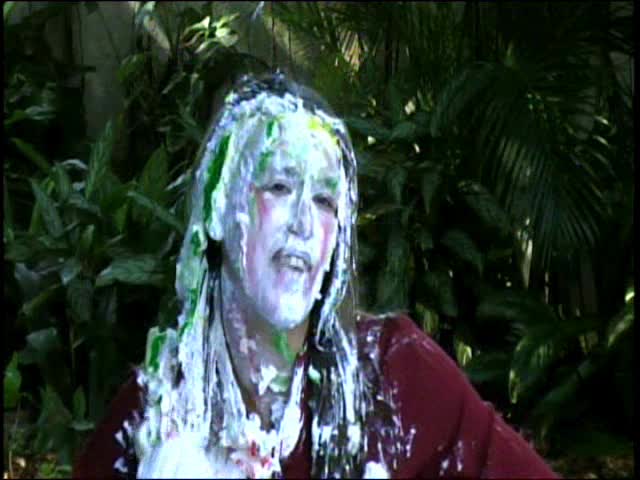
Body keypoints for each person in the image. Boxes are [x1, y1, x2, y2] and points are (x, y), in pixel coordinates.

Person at [73, 73, 559, 478]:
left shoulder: (394, 375)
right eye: (279, 186)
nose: (304, 224)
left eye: (325, 200)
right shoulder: (152, 417)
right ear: (219, 209)